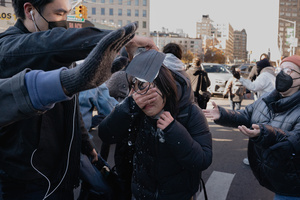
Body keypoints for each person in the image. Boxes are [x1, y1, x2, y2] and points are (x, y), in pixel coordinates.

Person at [0, 1, 157, 199]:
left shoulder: (58, 54)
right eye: (59, 14)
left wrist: (84, 143)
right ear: (30, 11)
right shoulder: (8, 47)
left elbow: (70, 105)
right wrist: (122, 39)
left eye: (68, 14)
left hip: (61, 171)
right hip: (26, 180)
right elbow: (51, 42)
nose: (65, 23)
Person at [99, 50, 212, 199]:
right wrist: (128, 107)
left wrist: (173, 131)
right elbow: (106, 134)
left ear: (166, 87)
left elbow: (203, 159)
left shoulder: (189, 112)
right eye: (140, 87)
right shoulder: (136, 110)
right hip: (141, 193)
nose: (147, 97)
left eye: (152, 87)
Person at [204, 55, 300, 200]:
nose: (281, 74)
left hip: (292, 186)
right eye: (280, 69)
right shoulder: (266, 98)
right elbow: (247, 115)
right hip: (275, 177)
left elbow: (295, 140)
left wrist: (265, 133)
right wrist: (223, 115)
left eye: (288, 71)